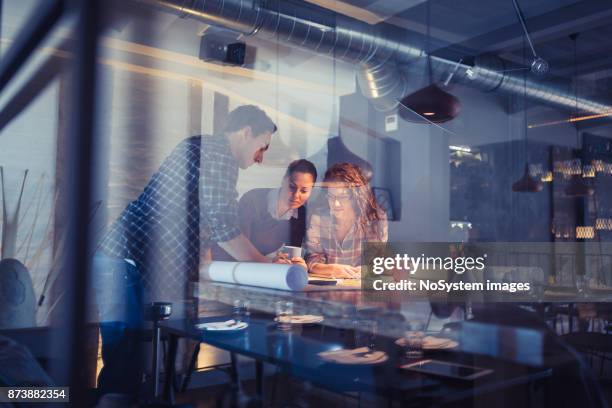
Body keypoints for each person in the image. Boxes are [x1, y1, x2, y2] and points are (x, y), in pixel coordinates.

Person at [93, 105, 284, 397]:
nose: (261, 158)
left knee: (129, 363)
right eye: (262, 147)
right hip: (123, 261)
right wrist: (267, 267)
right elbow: (224, 225)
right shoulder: (217, 153)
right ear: (247, 133)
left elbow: (204, 225)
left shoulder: (204, 150)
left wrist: (206, 273)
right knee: (124, 366)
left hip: (123, 261)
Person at [213, 159, 317, 265]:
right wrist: (271, 263)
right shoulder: (253, 200)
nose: (296, 195)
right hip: (236, 268)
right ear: (283, 180)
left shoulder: (301, 214)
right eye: (292, 187)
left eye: (304, 191)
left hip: (271, 272)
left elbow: (293, 254)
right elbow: (239, 251)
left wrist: (297, 263)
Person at [304, 162, 387, 279]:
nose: (336, 204)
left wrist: (363, 271)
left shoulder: (376, 219)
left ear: (356, 196)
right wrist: (331, 269)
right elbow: (311, 260)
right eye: (331, 197)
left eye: (342, 197)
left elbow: (376, 263)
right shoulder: (318, 218)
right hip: (328, 286)